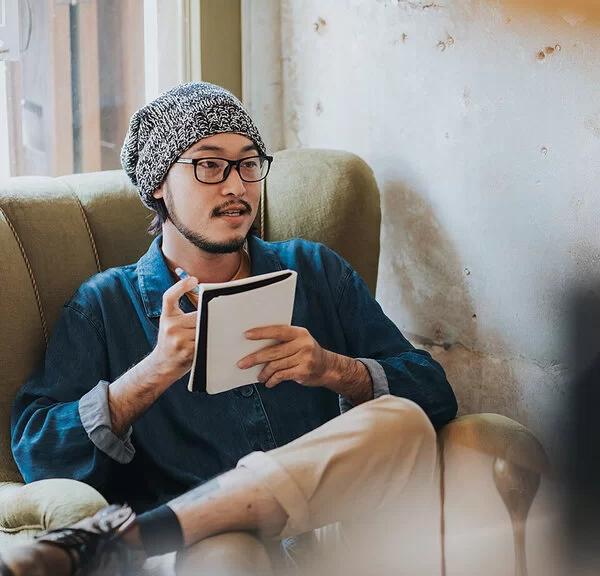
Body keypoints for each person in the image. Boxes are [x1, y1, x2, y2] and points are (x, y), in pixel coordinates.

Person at [4, 82, 457, 575]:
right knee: (228, 556)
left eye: (248, 163)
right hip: (207, 545)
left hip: (328, 529)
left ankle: (131, 536)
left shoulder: (315, 270)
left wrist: (334, 369)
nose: (237, 186)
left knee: (404, 422)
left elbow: (433, 392)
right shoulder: (105, 305)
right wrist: (151, 374)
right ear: (159, 183)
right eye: (209, 164)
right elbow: (39, 455)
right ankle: (177, 527)